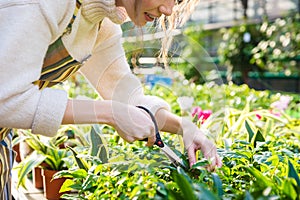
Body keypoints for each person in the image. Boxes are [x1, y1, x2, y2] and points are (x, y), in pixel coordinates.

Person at [0, 0, 222, 198]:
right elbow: (6, 100)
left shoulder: (100, 24)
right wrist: (111, 113)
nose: (168, 9)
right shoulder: (43, 4)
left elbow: (127, 96)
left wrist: (186, 128)